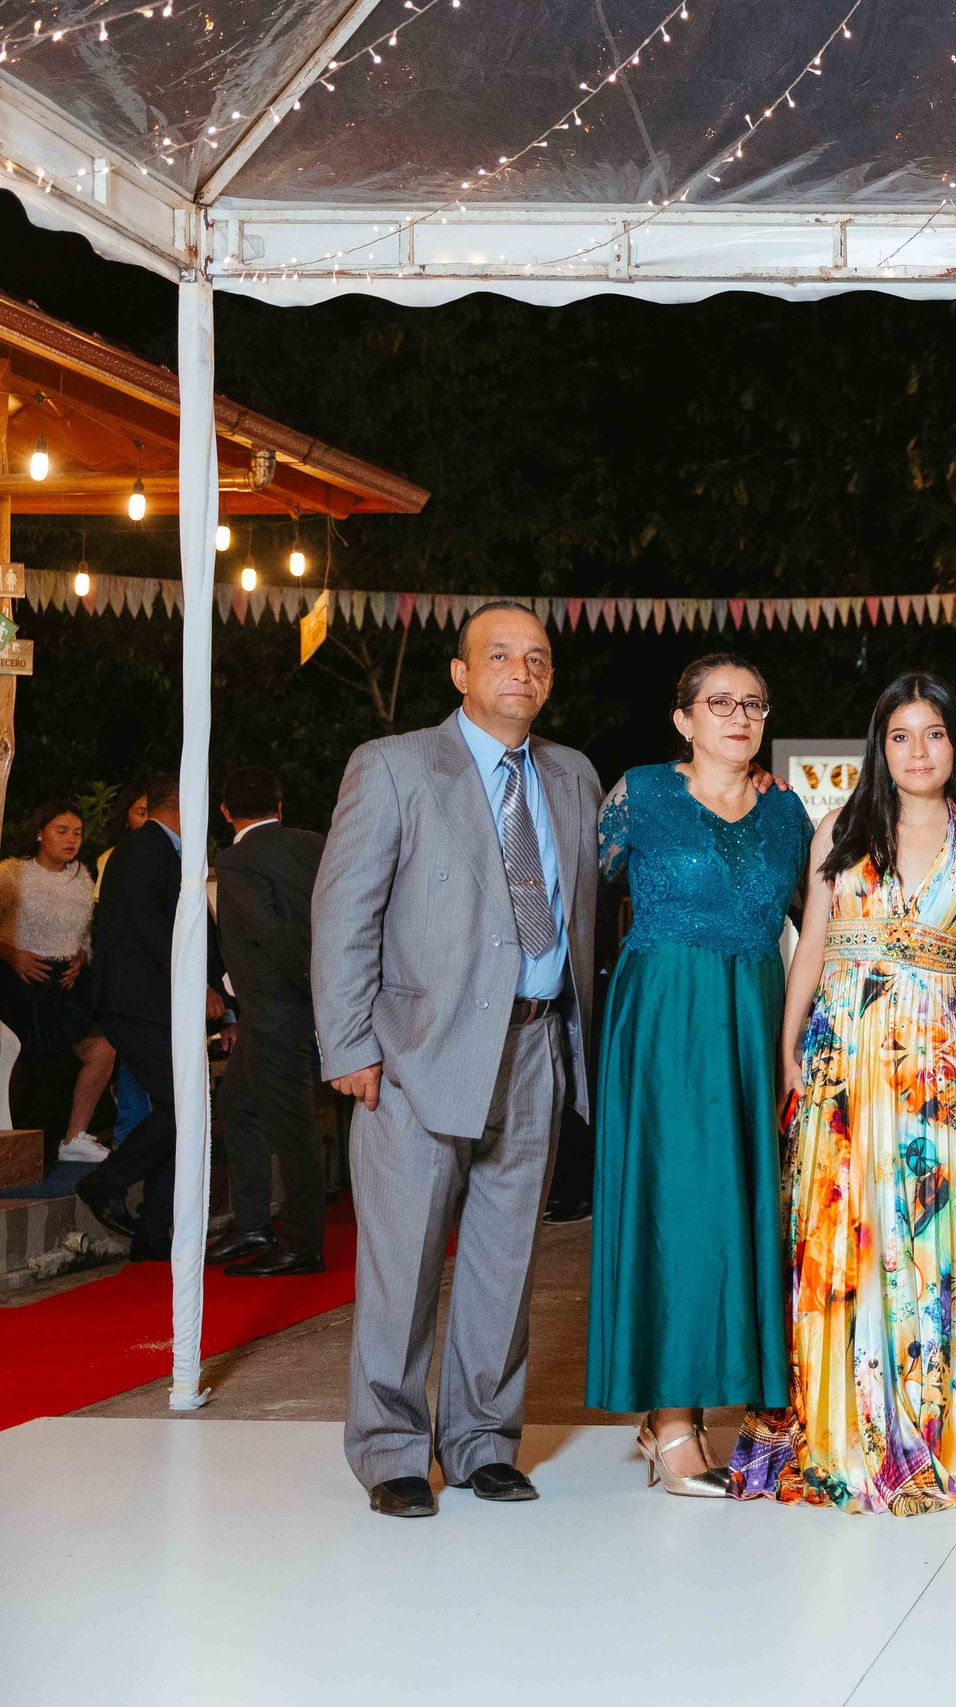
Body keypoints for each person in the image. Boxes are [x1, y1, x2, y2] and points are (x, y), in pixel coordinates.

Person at [313, 599, 599, 1519]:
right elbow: (344, 912)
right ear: (461, 673)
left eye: (538, 657)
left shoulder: (572, 775)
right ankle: (392, 1449)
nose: (523, 670)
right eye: (502, 655)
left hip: (534, 1046)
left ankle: (482, 1440)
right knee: (401, 1259)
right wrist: (348, 1044)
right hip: (413, 1057)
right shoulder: (394, 766)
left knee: (504, 1260)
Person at [730, 670, 956, 1513]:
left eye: (933, 734)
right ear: (881, 746)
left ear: (953, 745)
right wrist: (789, 1044)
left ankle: (937, 1425)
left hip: (932, 1058)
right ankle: (838, 1417)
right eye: (901, 736)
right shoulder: (839, 825)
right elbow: (811, 947)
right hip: (843, 1053)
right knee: (844, 1228)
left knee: (926, 1231)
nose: (917, 751)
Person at [585, 654, 810, 1494]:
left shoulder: (788, 815)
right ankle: (673, 1426)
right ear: (683, 718)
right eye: (719, 702)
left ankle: (699, 1414)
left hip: (753, 1021)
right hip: (663, 1022)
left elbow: (820, 927)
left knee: (734, 1211)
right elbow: (586, 906)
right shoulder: (637, 794)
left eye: (753, 702)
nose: (739, 715)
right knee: (675, 1208)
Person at [78, 774, 226, 1262]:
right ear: (181, 803)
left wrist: (221, 990)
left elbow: (198, 926)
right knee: (181, 1108)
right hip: (139, 1003)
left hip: (162, 1003)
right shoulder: (144, 849)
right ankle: (107, 1181)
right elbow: (150, 929)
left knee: (187, 1114)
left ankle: (152, 1233)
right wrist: (197, 984)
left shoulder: (170, 851)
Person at [206, 768, 330, 1277]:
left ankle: (303, 1244)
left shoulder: (235, 862)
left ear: (227, 813)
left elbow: (272, 934)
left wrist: (305, 980)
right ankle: (252, 1224)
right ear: (280, 807)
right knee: (236, 1108)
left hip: (279, 1009)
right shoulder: (313, 844)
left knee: (294, 1128)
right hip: (282, 1008)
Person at [0, 799, 117, 1162]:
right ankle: (11, 1144)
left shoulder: (82, 874)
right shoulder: (10, 872)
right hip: (19, 981)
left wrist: (81, 956)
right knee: (14, 1065)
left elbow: (82, 930)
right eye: (62, 831)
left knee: (102, 1049)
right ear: (39, 833)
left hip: (65, 983)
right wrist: (10, 953)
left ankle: (75, 1137)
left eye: (78, 833)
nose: (71, 840)